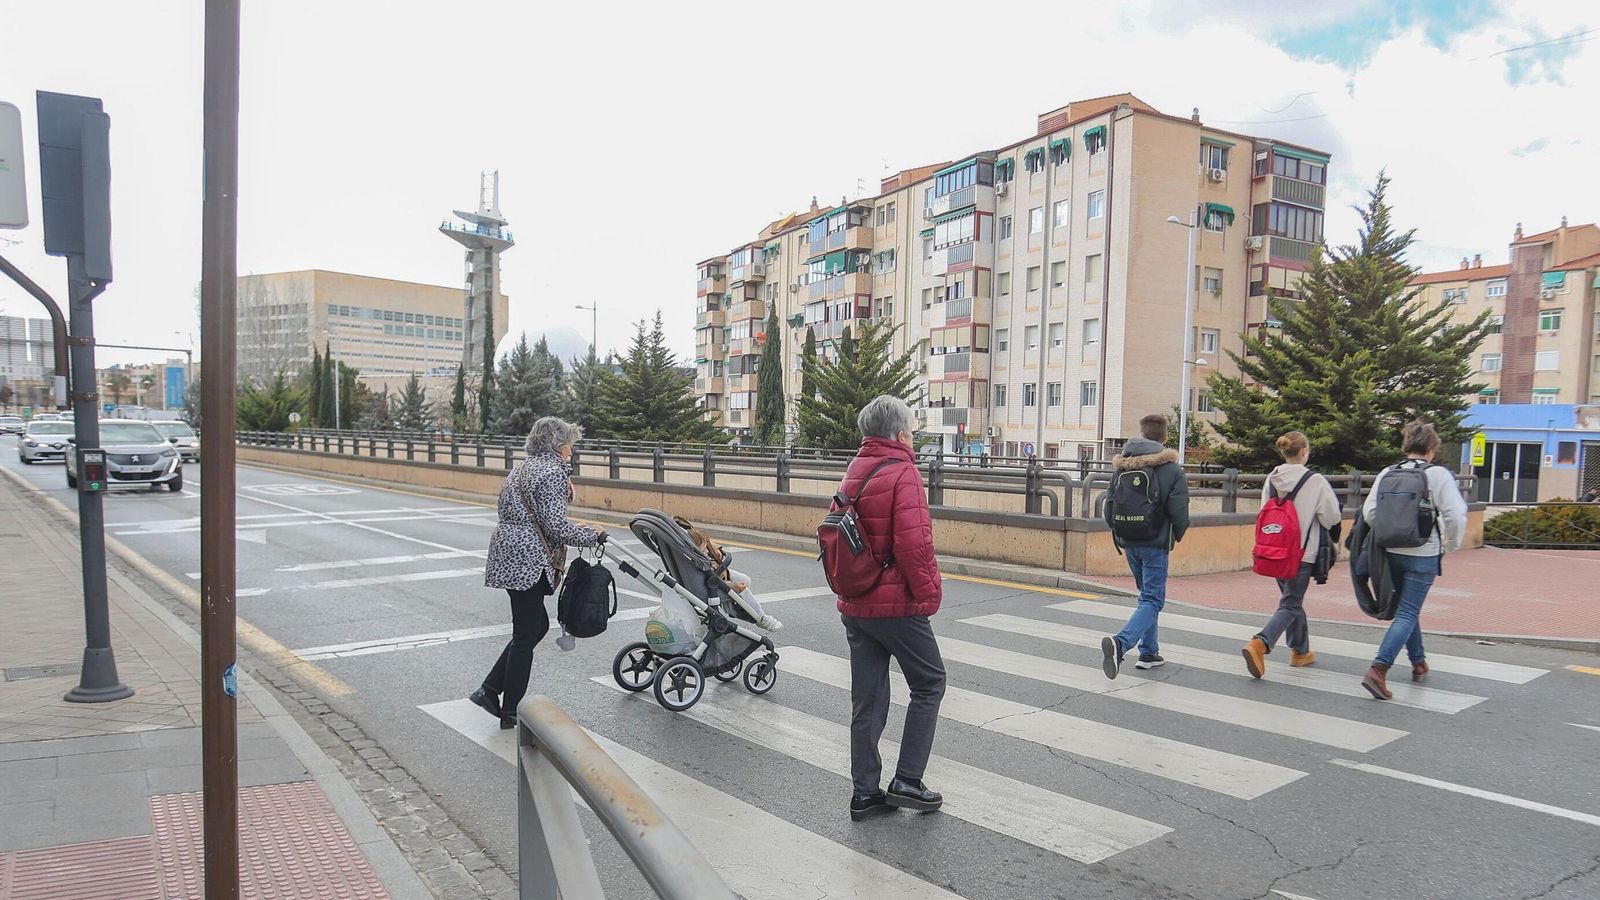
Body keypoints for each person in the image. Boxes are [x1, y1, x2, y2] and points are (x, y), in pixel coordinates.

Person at [836, 395, 946, 822]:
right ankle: (908, 781)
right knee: (930, 682)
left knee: (868, 699)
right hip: (895, 604)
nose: (913, 435)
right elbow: (914, 545)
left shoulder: (854, 470)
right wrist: (929, 596)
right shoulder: (903, 472)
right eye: (912, 428)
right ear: (899, 433)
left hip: (855, 601)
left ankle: (865, 792)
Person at [472, 417, 604, 728]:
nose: (572, 449)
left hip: (509, 551)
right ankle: (509, 710)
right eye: (569, 442)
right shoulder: (552, 474)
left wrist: (575, 526)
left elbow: (535, 515)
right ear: (559, 446)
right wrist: (593, 535)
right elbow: (555, 526)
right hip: (527, 559)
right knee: (526, 634)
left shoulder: (523, 468)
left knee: (534, 627)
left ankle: (489, 690)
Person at [1359, 419, 1468, 700]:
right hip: (1424, 553)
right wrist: (1452, 543)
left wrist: (1390, 532)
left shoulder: (1387, 472)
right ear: (1432, 448)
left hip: (1390, 552)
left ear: (1406, 445)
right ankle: (1378, 669)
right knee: (1407, 611)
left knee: (1407, 607)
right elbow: (1455, 514)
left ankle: (1418, 661)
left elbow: (1370, 513)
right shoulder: (1439, 475)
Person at [1242, 431, 1343, 678]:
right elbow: (1331, 517)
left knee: (1291, 600)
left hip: (1275, 550)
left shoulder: (1272, 478)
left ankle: (1300, 651)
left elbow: (1265, 510)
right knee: (1291, 603)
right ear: (1305, 451)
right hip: (1302, 554)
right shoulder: (1315, 480)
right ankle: (1261, 642)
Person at [1101, 414, 1190, 679]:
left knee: (1147, 599)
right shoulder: (1172, 469)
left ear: (1141, 434)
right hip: (1155, 542)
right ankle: (1121, 643)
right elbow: (1179, 509)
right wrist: (1179, 533)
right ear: (1164, 438)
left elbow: (1109, 507)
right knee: (1152, 599)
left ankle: (1149, 652)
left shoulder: (1122, 467)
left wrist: (1121, 532)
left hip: (1129, 541)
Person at [674, 516, 782, 631]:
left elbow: (703, 542)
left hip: (710, 575)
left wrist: (714, 549)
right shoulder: (694, 558)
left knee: (746, 580)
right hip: (709, 583)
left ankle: (730, 606)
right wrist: (735, 588)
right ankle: (761, 618)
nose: (706, 551)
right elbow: (709, 577)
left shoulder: (683, 543)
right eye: (704, 550)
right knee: (742, 588)